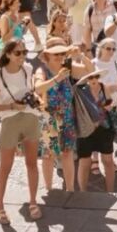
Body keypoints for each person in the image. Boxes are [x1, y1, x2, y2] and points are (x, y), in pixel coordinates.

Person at [0, 39, 42, 224]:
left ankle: (33, 201)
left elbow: (31, 90)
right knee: (5, 167)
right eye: (18, 53)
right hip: (10, 121)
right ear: (8, 54)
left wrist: (35, 98)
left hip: (31, 118)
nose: (22, 56)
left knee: (32, 163)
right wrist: (11, 105)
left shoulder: (28, 69)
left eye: (24, 52)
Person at [34, 41, 78, 194]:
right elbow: (38, 88)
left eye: (62, 53)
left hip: (67, 117)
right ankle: (49, 189)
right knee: (48, 156)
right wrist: (57, 79)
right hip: (49, 119)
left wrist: (81, 56)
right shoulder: (42, 70)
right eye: (56, 54)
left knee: (68, 153)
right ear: (47, 55)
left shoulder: (67, 68)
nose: (60, 56)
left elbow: (90, 71)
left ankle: (70, 189)